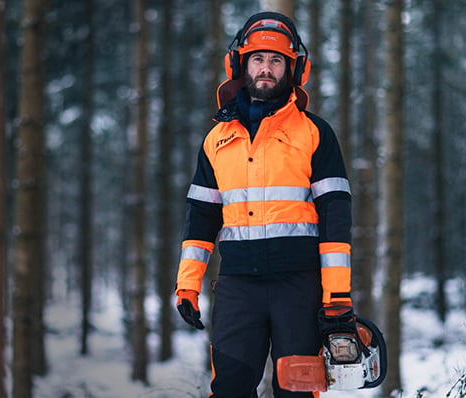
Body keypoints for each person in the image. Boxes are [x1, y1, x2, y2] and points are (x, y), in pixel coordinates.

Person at [174, 11, 354, 398]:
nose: (266, 69)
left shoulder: (315, 133)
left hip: (299, 285)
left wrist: (337, 295)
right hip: (239, 286)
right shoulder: (216, 140)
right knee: (231, 388)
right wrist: (188, 286)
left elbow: (335, 218)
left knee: (298, 389)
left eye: (276, 60)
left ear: (294, 68)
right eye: (258, 59)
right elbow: (200, 220)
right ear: (240, 64)